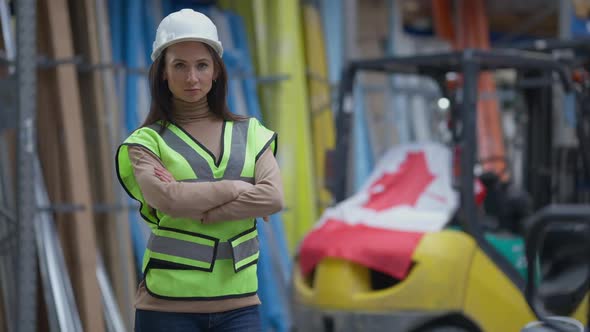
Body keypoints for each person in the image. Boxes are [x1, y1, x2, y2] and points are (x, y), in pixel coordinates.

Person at [115, 9, 284, 332]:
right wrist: (237, 189)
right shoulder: (146, 142)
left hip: (241, 306)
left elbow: (273, 198)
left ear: (216, 71)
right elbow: (168, 199)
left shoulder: (252, 133)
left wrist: (204, 206)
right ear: (163, 72)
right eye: (179, 65)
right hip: (167, 307)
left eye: (201, 65)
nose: (192, 78)